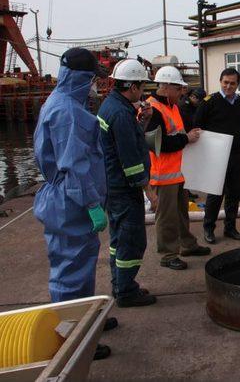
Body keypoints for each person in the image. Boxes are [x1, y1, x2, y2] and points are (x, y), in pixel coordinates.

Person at [33, 48, 112, 359]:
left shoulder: (62, 104)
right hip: (71, 203)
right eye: (93, 79)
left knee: (79, 266)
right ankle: (73, 344)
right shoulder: (68, 112)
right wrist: (93, 204)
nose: (95, 85)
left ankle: (84, 323)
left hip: (67, 200)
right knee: (69, 273)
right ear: (82, 78)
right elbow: (75, 166)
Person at [97, 59, 157, 308]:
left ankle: (119, 284)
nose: (143, 91)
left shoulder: (112, 106)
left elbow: (129, 140)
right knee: (132, 240)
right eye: (141, 85)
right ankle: (126, 291)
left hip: (112, 186)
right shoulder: (121, 113)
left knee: (119, 240)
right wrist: (149, 191)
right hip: (124, 189)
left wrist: (142, 120)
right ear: (131, 86)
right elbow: (130, 159)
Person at [146, 66, 210, 270]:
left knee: (181, 212)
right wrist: (186, 138)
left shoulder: (172, 106)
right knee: (167, 217)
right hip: (163, 174)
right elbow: (158, 144)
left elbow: (177, 133)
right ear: (165, 87)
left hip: (177, 171)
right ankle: (167, 255)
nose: (183, 92)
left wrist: (190, 135)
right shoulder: (152, 109)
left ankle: (187, 245)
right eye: (179, 88)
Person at [195, 68, 240, 243]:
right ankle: (208, 229)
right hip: (216, 155)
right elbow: (197, 127)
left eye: (232, 83)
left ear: (237, 84)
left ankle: (230, 228)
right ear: (220, 81)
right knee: (215, 193)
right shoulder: (209, 102)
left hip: (236, 155)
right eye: (225, 82)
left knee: (234, 192)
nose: (228, 86)